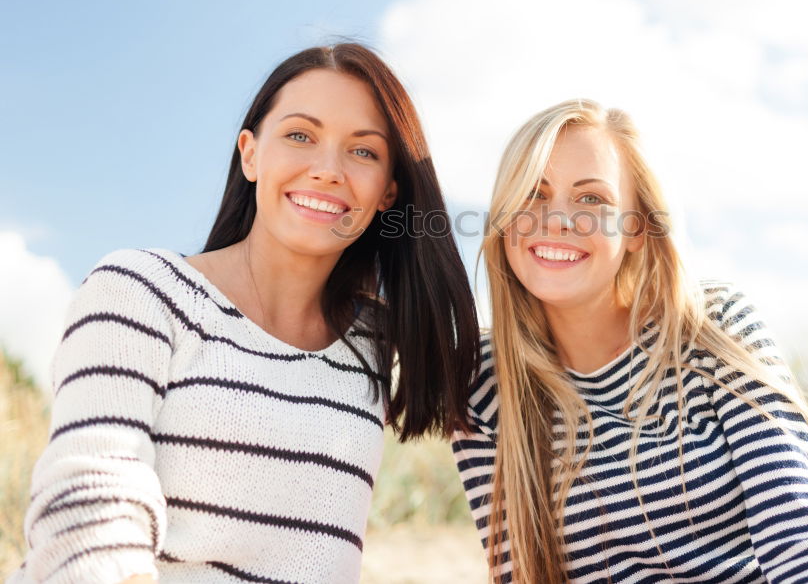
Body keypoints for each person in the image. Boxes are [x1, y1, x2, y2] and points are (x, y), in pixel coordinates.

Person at [10, 43, 480, 584]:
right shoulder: (142, 292)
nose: (327, 170)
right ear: (250, 154)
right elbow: (88, 508)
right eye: (300, 136)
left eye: (364, 152)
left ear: (388, 194)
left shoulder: (377, 344)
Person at [452, 99, 808, 583]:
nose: (558, 219)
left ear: (638, 229)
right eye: (534, 193)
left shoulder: (713, 326)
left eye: (592, 199)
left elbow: (798, 535)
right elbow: (522, 573)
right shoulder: (483, 385)